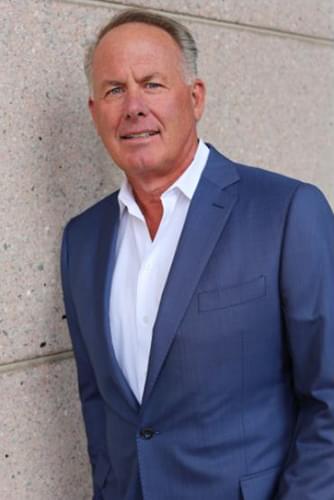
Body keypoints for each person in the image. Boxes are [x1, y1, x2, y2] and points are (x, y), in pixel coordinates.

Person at [61, 8, 334, 500]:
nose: (134, 106)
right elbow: (98, 405)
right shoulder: (82, 241)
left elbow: (329, 396)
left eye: (152, 84)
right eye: (115, 90)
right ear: (94, 110)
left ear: (195, 97)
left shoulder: (288, 211)